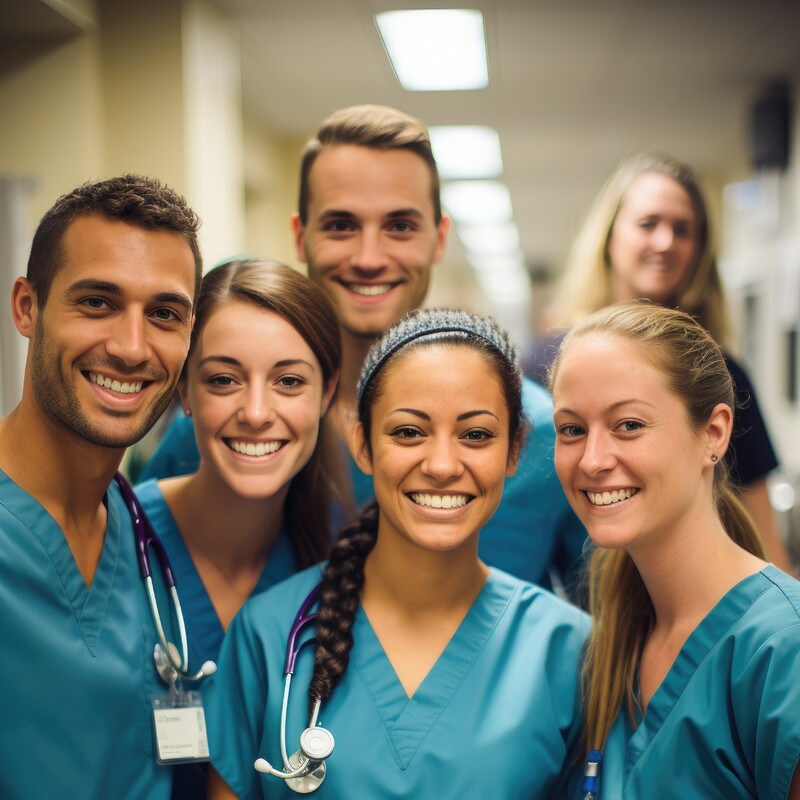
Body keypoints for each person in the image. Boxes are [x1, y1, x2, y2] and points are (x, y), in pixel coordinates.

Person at [141, 104, 587, 595]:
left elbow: (608, 631)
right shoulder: (227, 432)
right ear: (301, 236)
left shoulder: (545, 437)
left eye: (399, 227)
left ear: (438, 240)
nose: (369, 258)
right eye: (341, 226)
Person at [205, 308, 590, 799]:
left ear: (514, 451)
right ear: (362, 444)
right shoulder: (269, 635)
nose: (443, 465)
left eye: (476, 435)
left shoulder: (569, 650)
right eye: (409, 432)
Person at [0, 175, 201, 799]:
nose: (131, 347)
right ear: (27, 308)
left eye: (164, 314)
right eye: (97, 302)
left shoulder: (141, 534)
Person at [549, 302, 800, 799]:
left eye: (629, 425)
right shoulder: (611, 639)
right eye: (572, 429)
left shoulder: (782, 651)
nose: (593, 460)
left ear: (713, 433)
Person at [134, 258, 342, 798]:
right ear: (184, 392)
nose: (255, 412)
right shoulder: (115, 542)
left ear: (326, 393)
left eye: (289, 381)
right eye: (223, 379)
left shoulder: (338, 577)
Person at [543, 152, 793, 573]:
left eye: (683, 230)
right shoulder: (550, 365)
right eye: (648, 224)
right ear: (609, 237)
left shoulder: (723, 375)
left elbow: (763, 536)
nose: (665, 242)